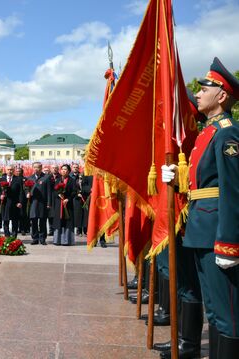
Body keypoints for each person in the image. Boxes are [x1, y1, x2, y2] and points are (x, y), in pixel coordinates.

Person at [161, 57, 239, 359]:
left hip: (217, 234)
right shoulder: (208, 133)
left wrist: (229, 243)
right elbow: (203, 184)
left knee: (227, 315)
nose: (197, 93)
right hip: (201, 230)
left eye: (204, 88)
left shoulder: (228, 133)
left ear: (221, 95)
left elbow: (232, 192)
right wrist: (177, 182)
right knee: (216, 312)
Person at [28, 162, 51, 245]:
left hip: (43, 203)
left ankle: (42, 238)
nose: (36, 169)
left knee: (42, 221)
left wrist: (49, 203)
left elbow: (49, 192)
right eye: (34, 167)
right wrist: (27, 193)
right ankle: (35, 238)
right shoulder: (30, 178)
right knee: (33, 221)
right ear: (32, 168)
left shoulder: (46, 177)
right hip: (33, 202)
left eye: (38, 167)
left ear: (41, 168)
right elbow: (26, 189)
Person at [52, 164, 75, 246]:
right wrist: (58, 194)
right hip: (59, 204)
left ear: (69, 171)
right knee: (59, 221)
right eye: (62, 169)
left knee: (67, 221)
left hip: (67, 204)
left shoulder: (72, 180)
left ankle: (66, 241)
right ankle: (57, 240)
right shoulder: (57, 180)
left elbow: (74, 192)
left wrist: (67, 199)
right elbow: (54, 191)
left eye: (65, 169)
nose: (63, 171)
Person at [0, 165, 23, 237]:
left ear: (13, 170)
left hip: (15, 203)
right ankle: (7, 236)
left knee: (15, 220)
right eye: (8, 169)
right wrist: (0, 195)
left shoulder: (18, 179)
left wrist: (20, 202)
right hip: (5, 203)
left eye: (11, 170)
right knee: (5, 220)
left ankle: (14, 236)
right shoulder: (2, 179)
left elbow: (21, 192)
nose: (9, 171)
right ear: (6, 170)